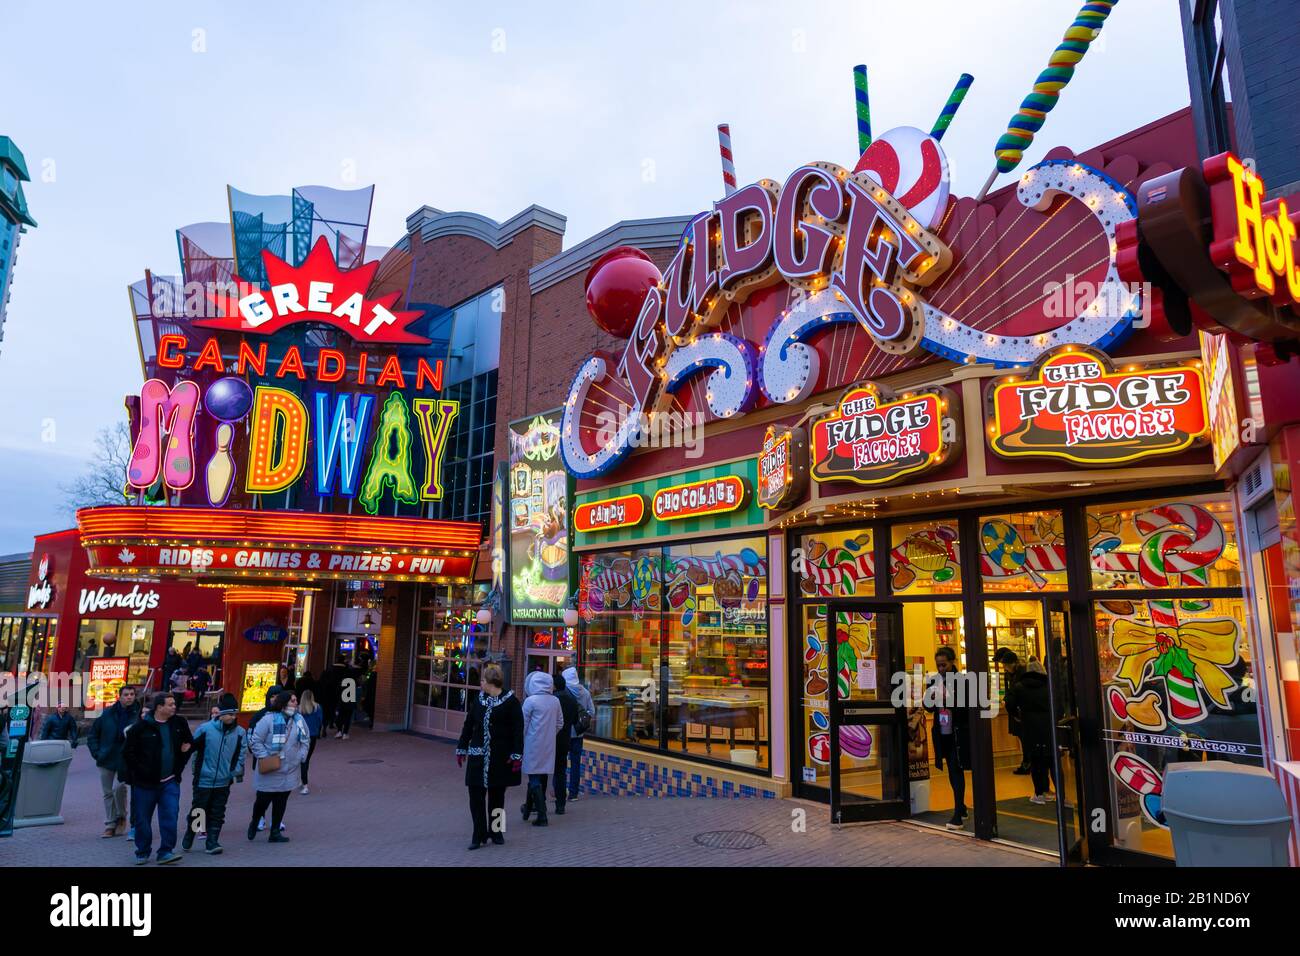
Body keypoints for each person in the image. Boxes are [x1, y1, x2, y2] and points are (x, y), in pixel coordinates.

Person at [456, 663, 523, 850]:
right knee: (475, 796)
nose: (481, 683)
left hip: (499, 758)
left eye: (483, 680)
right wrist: (462, 746)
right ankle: (478, 834)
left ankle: (496, 831)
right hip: (478, 756)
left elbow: (518, 730)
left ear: (491, 682)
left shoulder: (510, 702)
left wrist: (517, 754)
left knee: (497, 797)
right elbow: (469, 725)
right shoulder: (479, 700)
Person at [122, 691, 193, 864]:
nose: (174, 707)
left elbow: (189, 743)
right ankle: (143, 851)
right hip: (145, 784)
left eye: (174, 704)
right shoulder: (141, 727)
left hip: (170, 781)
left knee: (170, 815)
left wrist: (181, 763)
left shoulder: (179, 723)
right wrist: (140, 771)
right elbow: (127, 753)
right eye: (170, 704)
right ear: (159, 707)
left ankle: (166, 852)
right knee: (143, 819)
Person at [184, 693, 246, 854]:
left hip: (224, 780)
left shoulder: (239, 732)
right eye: (230, 714)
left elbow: (241, 754)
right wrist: (195, 770)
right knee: (199, 809)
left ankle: (212, 841)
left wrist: (234, 772)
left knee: (218, 810)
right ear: (221, 714)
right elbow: (194, 750)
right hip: (203, 777)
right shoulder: (205, 729)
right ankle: (191, 832)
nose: (233, 717)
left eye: (235, 714)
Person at [247, 690, 311, 843]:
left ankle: (275, 831)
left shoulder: (299, 720)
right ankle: (255, 820)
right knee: (263, 800)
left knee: (281, 801)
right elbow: (255, 741)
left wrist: (301, 756)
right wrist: (265, 757)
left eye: (296, 700)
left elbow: (306, 739)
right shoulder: (267, 720)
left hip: (289, 769)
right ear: (283, 704)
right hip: (270, 769)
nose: (296, 703)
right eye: (293, 701)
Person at [925, 646, 972, 830]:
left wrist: (947, 701)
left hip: (957, 731)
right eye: (938, 666)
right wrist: (931, 698)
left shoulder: (963, 681)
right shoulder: (934, 681)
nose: (941, 669)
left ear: (953, 662)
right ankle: (961, 808)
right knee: (952, 770)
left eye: (944, 665)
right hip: (942, 731)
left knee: (955, 768)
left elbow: (967, 707)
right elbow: (928, 707)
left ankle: (958, 812)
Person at [87, 684, 140, 838]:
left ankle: (121, 815)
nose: (129, 697)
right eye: (126, 694)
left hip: (127, 759)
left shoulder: (138, 715)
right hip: (106, 757)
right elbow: (93, 735)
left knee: (120, 788)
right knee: (107, 792)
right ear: (119, 696)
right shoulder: (107, 714)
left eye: (132, 694)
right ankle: (110, 824)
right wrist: (97, 753)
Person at [1006, 660, 1056, 804]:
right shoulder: (1049, 686)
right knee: (1050, 759)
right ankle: (1054, 791)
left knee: (1035, 760)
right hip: (1048, 726)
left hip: (1029, 726)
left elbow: (1009, 703)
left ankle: (1039, 792)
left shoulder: (1020, 687)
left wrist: (1017, 715)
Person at [520, 670, 562, 827]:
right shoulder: (555, 701)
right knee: (537, 777)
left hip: (532, 743)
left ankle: (542, 814)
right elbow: (560, 723)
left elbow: (522, 725)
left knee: (534, 778)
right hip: (549, 745)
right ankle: (528, 809)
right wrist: (550, 734)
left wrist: (521, 740)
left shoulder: (530, 701)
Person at [993, 647, 1031, 774]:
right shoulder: (1014, 673)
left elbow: (1015, 691)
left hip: (1020, 712)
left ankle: (1027, 763)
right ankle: (1027, 762)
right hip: (1017, 711)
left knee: (1025, 738)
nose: (1002, 666)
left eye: (1003, 663)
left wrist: (1007, 700)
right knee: (1023, 738)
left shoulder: (1018, 674)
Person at [561, 666, 593, 801]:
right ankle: (574, 792)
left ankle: (560, 791)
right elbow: (592, 711)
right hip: (579, 734)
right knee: (576, 764)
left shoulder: (563, 693)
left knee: (560, 764)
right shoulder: (585, 692)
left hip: (564, 734)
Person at [551, 672, 579, 816]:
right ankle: (560, 804)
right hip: (564, 741)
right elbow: (576, 722)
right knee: (561, 772)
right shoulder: (571, 701)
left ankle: (537, 804)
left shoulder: (551, 700)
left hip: (548, 741)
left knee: (541, 773)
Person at [298, 689, 324, 794]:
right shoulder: (317, 707)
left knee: (301, 759)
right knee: (306, 759)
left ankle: (303, 782)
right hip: (312, 736)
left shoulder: (299, 709)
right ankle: (304, 784)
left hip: (301, 737)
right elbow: (320, 721)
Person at [334, 657, 359, 739]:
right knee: (347, 718)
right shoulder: (353, 682)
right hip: (349, 702)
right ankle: (345, 733)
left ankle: (339, 731)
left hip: (342, 702)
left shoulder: (342, 681)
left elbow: (338, 691)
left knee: (340, 717)